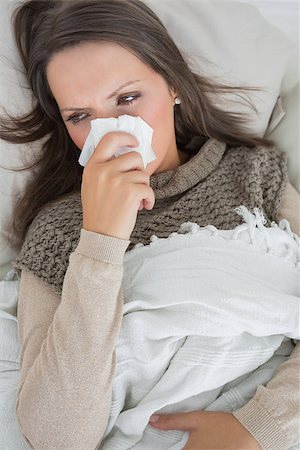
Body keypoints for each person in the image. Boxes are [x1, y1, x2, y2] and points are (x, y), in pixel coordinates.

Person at [0, 0, 299, 449]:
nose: (111, 131)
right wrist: (101, 238)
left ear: (174, 85)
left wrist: (260, 428)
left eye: (126, 98)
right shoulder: (59, 229)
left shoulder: (255, 175)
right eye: (80, 117)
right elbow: (56, 436)